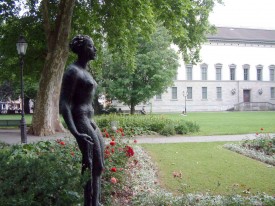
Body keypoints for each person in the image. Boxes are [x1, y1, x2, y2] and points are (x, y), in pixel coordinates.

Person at [59, 35, 104, 206]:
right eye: (91, 46)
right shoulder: (72, 71)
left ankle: (95, 202)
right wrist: (75, 132)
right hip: (80, 119)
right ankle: (90, 203)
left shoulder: (85, 71)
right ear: (83, 49)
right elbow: (64, 104)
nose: (95, 49)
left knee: (98, 165)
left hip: (90, 120)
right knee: (91, 162)